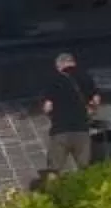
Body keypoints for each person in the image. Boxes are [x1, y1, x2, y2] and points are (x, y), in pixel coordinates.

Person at [38, 51, 100, 182]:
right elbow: (96, 100)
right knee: (85, 169)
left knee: (54, 170)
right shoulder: (86, 77)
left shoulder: (53, 80)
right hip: (81, 130)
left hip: (60, 131)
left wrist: (53, 115)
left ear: (59, 66)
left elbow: (47, 107)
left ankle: (53, 191)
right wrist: (90, 111)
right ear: (73, 63)